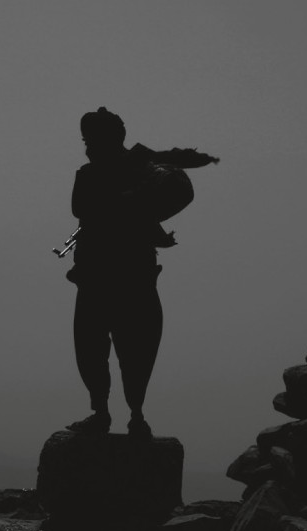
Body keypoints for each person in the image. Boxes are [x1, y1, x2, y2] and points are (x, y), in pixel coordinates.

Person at [65, 107, 215, 438]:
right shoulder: (91, 174)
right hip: (95, 276)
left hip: (132, 275)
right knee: (91, 349)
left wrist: (133, 198)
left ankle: (135, 415)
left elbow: (177, 186)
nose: (87, 146)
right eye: (86, 140)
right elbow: (82, 208)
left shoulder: (144, 169)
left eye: (92, 140)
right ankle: (101, 412)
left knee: (137, 350)